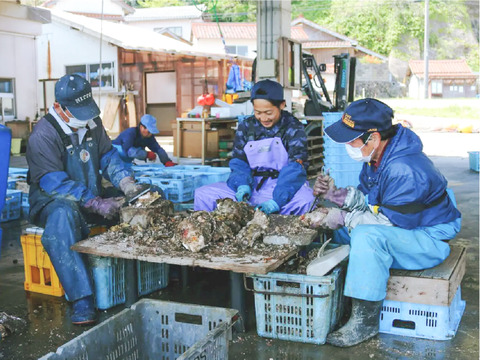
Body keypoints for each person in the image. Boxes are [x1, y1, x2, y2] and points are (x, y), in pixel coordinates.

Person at [309, 98, 461, 347]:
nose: (348, 145)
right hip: (404, 223)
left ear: (374, 137)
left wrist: (343, 218)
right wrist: (334, 196)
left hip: (428, 238)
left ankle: (364, 321)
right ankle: (346, 296)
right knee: (344, 235)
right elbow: (371, 201)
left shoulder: (404, 169)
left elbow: (386, 222)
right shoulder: (378, 158)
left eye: (351, 140)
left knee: (366, 237)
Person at [26, 74, 150, 325]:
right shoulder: (43, 135)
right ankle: (81, 298)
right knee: (62, 218)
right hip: (53, 202)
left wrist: (126, 183)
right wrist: (95, 203)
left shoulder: (91, 122)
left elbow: (108, 157)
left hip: (91, 193)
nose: (85, 118)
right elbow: (54, 183)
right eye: (79, 113)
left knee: (149, 195)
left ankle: (147, 272)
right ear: (60, 107)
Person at [194, 79, 314, 215]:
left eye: (268, 113)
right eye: (258, 112)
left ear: (282, 105)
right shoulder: (246, 126)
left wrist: (278, 200)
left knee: (305, 200)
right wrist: (242, 184)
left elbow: (296, 167)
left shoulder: (293, 127)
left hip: (283, 184)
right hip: (252, 185)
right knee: (203, 194)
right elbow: (239, 161)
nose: (263, 118)